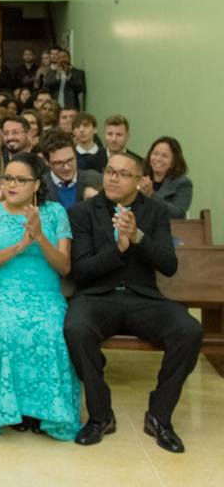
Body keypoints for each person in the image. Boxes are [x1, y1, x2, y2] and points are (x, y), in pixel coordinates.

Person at [63, 154, 201, 452]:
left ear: (139, 181)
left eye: (123, 174)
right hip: (98, 297)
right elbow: (81, 271)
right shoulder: (82, 212)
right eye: (110, 171)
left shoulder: (156, 211)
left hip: (143, 298)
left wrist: (138, 237)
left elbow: (169, 265)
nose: (112, 178)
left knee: (189, 331)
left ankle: (159, 416)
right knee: (75, 328)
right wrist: (119, 248)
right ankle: (101, 416)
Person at [0, 153, 79, 441]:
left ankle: (45, 413)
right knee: (5, 328)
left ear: (35, 185)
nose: (12, 184)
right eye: (8, 178)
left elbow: (64, 267)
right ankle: (10, 410)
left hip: (44, 293)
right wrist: (21, 245)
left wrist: (40, 237)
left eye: (20, 179)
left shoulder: (55, 213)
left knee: (53, 329)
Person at [36, 130, 102, 210]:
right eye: (59, 163)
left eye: (70, 160)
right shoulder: (37, 187)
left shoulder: (97, 181)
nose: (66, 167)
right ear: (46, 161)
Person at [139, 136, 193, 219]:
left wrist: (151, 195)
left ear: (174, 161)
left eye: (165, 156)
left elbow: (178, 214)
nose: (158, 159)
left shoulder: (183, 183)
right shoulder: (139, 177)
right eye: (155, 154)